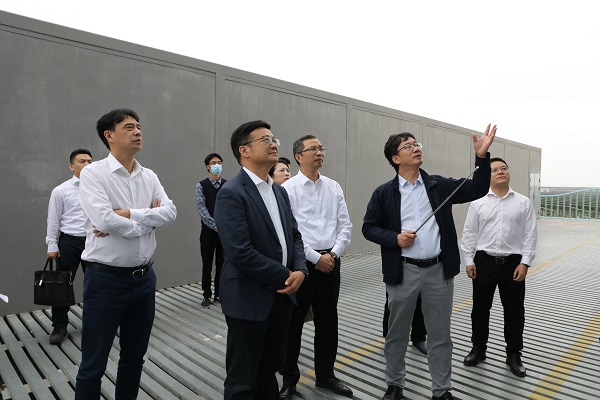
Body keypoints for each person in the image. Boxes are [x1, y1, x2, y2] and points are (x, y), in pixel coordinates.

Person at [362, 125, 496, 400]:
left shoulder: (438, 185)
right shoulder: (384, 193)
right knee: (397, 333)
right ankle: (394, 385)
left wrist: (482, 158)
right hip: (403, 271)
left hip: (438, 271)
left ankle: (441, 390)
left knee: (440, 335)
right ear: (395, 158)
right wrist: (394, 238)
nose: (416, 148)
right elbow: (368, 227)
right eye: (408, 146)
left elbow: (478, 188)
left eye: (417, 144)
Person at [75, 108, 177, 399]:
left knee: (134, 359)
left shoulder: (149, 176)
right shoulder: (93, 173)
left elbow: (170, 213)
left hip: (144, 280)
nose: (138, 131)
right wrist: (148, 221)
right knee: (93, 363)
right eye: (129, 127)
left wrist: (128, 214)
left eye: (138, 126)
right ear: (109, 135)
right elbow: (104, 221)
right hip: (105, 281)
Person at [214, 120, 307, 399]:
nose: (273, 143)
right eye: (265, 139)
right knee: (242, 381)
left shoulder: (279, 191)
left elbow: (294, 236)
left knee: (268, 371)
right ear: (244, 150)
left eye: (274, 138)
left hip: (282, 298)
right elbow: (239, 251)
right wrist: (286, 275)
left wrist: (301, 269)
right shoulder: (232, 192)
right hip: (249, 298)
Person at [280, 135, 353, 399]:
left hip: (331, 262)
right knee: (293, 324)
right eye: (313, 149)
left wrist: (332, 254)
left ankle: (326, 376)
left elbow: (345, 226)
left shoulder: (333, 187)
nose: (319, 152)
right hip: (301, 265)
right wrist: (314, 258)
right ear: (298, 156)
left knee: (328, 321)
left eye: (321, 148)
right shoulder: (287, 189)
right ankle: (289, 379)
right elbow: (289, 231)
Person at [461, 157, 537, 377]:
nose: (500, 172)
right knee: (480, 309)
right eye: (494, 170)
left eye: (504, 168)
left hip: (513, 264)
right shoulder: (478, 203)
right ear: (488, 175)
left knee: (514, 311)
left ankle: (513, 354)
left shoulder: (523, 202)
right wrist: (469, 261)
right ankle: (478, 348)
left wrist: (525, 262)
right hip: (484, 262)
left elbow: (530, 234)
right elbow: (469, 233)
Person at [45, 148, 93, 344]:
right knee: (62, 285)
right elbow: (53, 219)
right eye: (82, 161)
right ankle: (59, 326)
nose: (87, 164)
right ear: (72, 166)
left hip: (93, 242)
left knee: (96, 284)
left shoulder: (100, 188)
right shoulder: (61, 190)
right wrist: (52, 244)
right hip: (69, 243)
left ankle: (94, 324)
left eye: (90, 161)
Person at [196, 153, 226, 308]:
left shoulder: (227, 185)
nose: (217, 165)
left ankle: (219, 293)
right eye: (214, 163)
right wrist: (215, 225)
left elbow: (230, 208)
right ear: (208, 167)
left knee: (222, 263)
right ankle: (206, 294)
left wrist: (224, 226)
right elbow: (202, 209)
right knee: (207, 263)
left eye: (219, 162)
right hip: (208, 231)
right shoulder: (201, 185)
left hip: (224, 232)